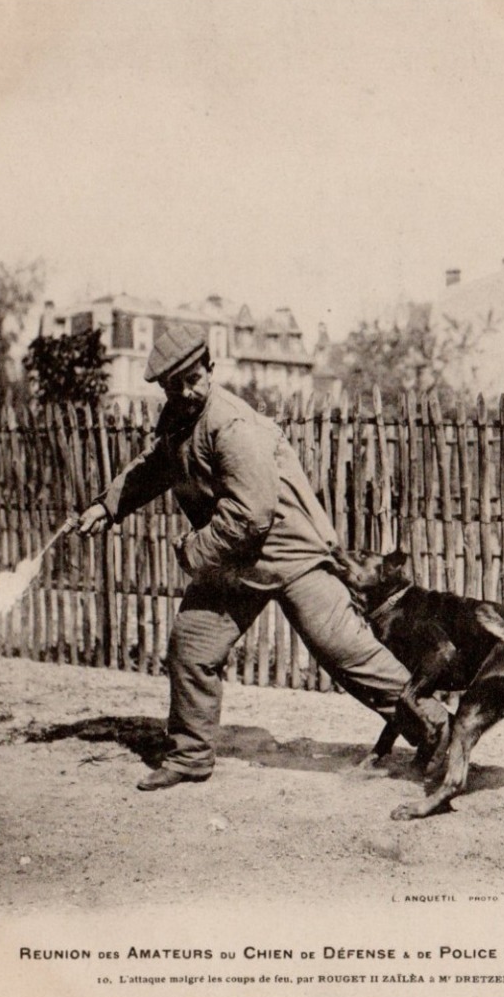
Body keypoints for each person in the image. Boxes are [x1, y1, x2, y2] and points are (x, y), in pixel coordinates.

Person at [78, 323, 417, 791]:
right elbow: (158, 465)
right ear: (163, 388)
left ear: (210, 369)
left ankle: (440, 732)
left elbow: (250, 515)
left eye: (193, 378)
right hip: (237, 561)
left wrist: (194, 552)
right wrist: (107, 504)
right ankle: (190, 755)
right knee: (191, 645)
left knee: (346, 655)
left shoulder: (232, 425)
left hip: (288, 552)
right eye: (173, 384)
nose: (186, 390)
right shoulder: (180, 419)